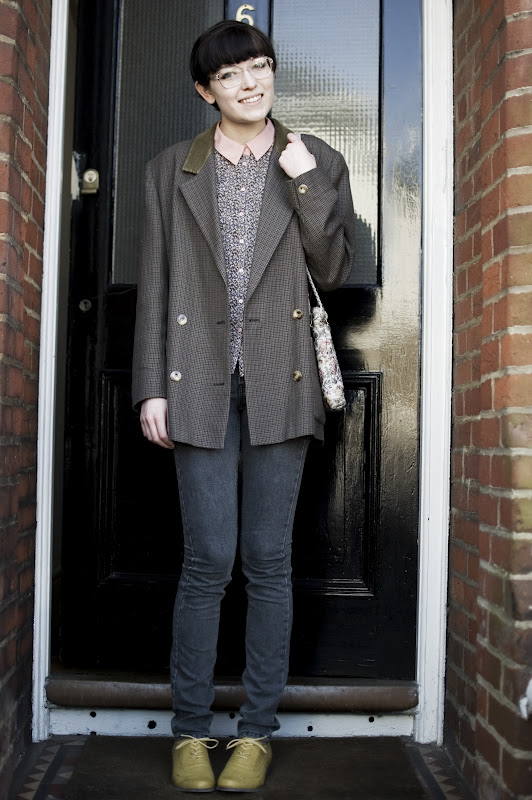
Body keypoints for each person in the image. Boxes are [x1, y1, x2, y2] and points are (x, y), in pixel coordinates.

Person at [132, 19, 356, 793]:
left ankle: (256, 731)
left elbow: (336, 268)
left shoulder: (315, 158)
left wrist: (305, 181)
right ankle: (190, 732)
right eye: (231, 74)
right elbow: (156, 282)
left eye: (260, 66)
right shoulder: (171, 169)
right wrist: (151, 386)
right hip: (195, 380)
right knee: (206, 562)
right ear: (206, 90)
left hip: (279, 378)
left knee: (267, 561)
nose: (251, 82)